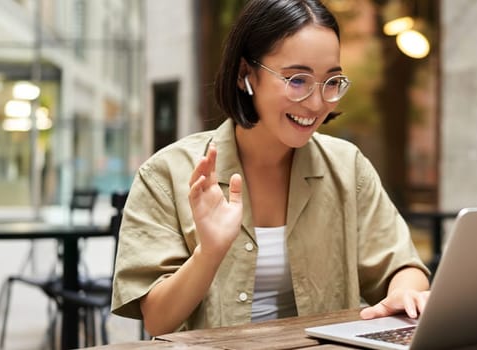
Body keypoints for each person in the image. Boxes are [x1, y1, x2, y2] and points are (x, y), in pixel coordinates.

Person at [111, 0, 430, 335]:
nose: (317, 102)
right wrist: (209, 253)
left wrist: (405, 293)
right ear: (245, 75)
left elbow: (402, 267)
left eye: (331, 81)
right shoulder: (165, 174)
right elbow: (158, 320)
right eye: (297, 80)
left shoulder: (347, 167)